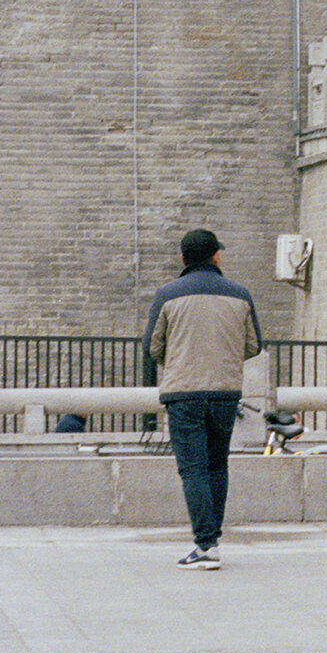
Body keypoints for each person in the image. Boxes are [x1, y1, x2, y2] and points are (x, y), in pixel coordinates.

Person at [141, 228, 264, 568]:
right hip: (225, 393)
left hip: (183, 394)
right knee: (217, 465)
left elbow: (151, 347)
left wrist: (179, 354)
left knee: (193, 469)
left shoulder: (167, 294)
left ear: (182, 259)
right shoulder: (240, 294)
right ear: (216, 256)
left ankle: (206, 545)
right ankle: (212, 541)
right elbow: (254, 345)